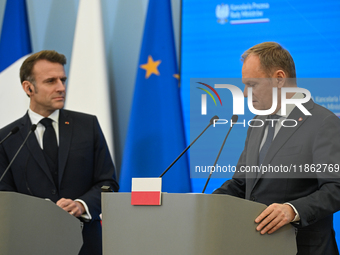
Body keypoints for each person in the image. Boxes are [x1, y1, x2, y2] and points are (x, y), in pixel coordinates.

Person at [213, 42, 340, 254]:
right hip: (257, 247)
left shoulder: (322, 122)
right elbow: (241, 183)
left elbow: (335, 187)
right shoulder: (257, 123)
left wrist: (293, 210)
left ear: (279, 79)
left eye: (252, 84)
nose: (245, 93)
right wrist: (204, 205)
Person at [0, 50, 119, 255]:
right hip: (28, 245)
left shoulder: (87, 126)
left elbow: (108, 184)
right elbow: (4, 197)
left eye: (63, 80)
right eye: (51, 81)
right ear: (28, 88)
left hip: (85, 244)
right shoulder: (8, 137)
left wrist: (81, 205)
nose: (61, 88)